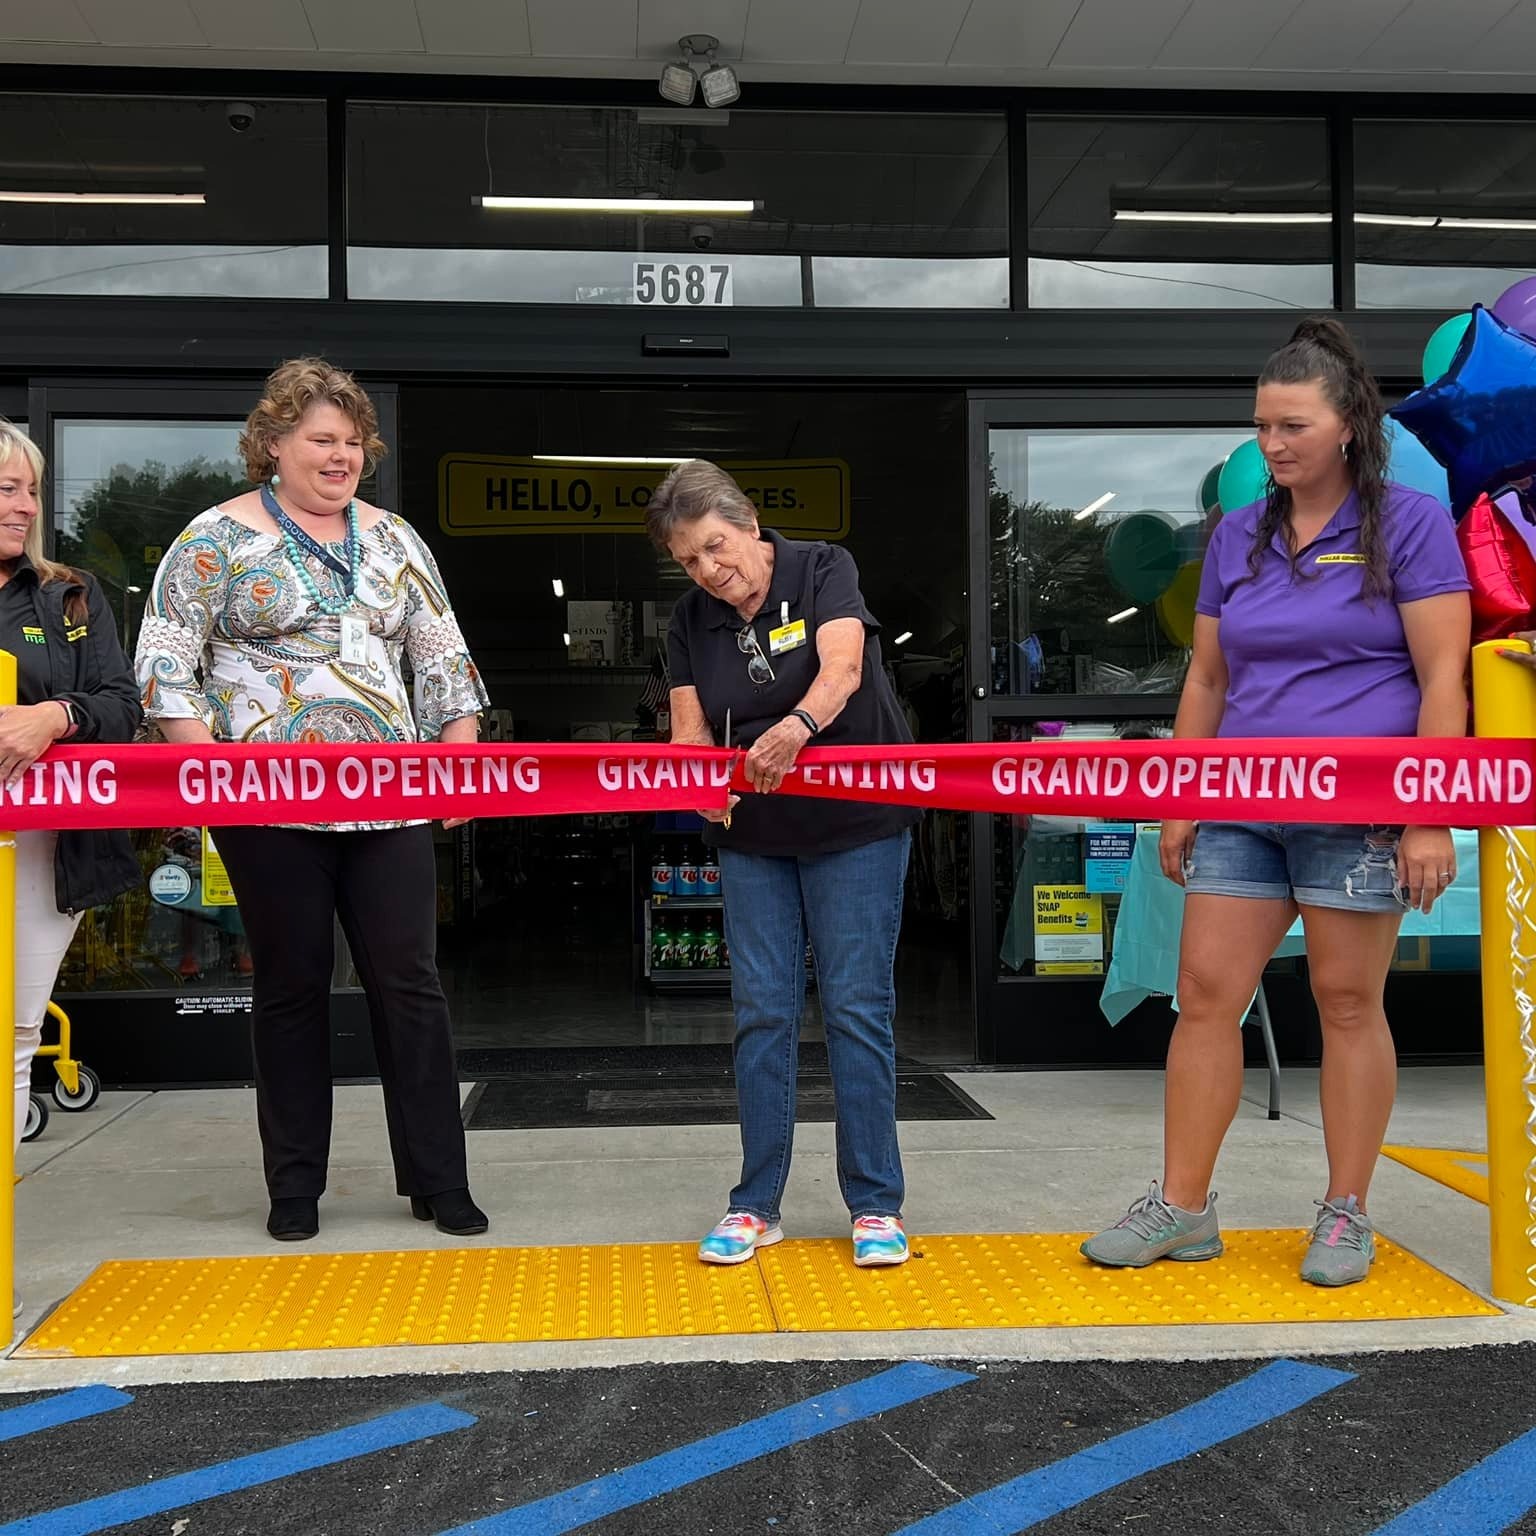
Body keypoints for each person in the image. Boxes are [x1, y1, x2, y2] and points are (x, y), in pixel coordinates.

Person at [1083, 318, 1471, 1287]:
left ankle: (1346, 1213)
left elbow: (1442, 676)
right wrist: (1181, 798)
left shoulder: (1413, 523)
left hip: (1362, 809)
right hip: (1240, 809)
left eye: (1291, 424)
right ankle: (1182, 1206)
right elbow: (1207, 680)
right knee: (1206, 998)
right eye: (1261, 425)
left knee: (1347, 1003)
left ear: (1346, 425)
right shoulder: (1237, 535)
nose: (1272, 444)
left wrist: (1429, 814)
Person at [135, 359, 490, 1243]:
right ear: (274, 445)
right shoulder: (213, 538)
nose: (341, 457)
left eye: (353, 443)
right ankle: (295, 1188)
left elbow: (442, 655)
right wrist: (210, 771)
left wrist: (459, 760)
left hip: (391, 800)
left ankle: (439, 1180)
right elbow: (164, 663)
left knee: (410, 984)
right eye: (320, 440)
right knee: (291, 988)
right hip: (266, 808)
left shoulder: (399, 538)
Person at [649, 459, 920, 1268]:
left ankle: (875, 1205)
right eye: (690, 560)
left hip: (857, 825)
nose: (709, 570)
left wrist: (797, 726)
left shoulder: (822, 567)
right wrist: (699, 786)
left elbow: (843, 670)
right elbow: (689, 731)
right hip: (754, 834)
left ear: (750, 526)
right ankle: (755, 1203)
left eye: (716, 547)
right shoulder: (691, 621)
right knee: (762, 1012)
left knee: (855, 1009)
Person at [0, 420, 141, 1317]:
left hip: (41, 852)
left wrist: (56, 716)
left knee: (12, 1041)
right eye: (1, 489)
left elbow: (122, 703)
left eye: (27, 491)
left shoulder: (73, 596)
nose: (18, 507)